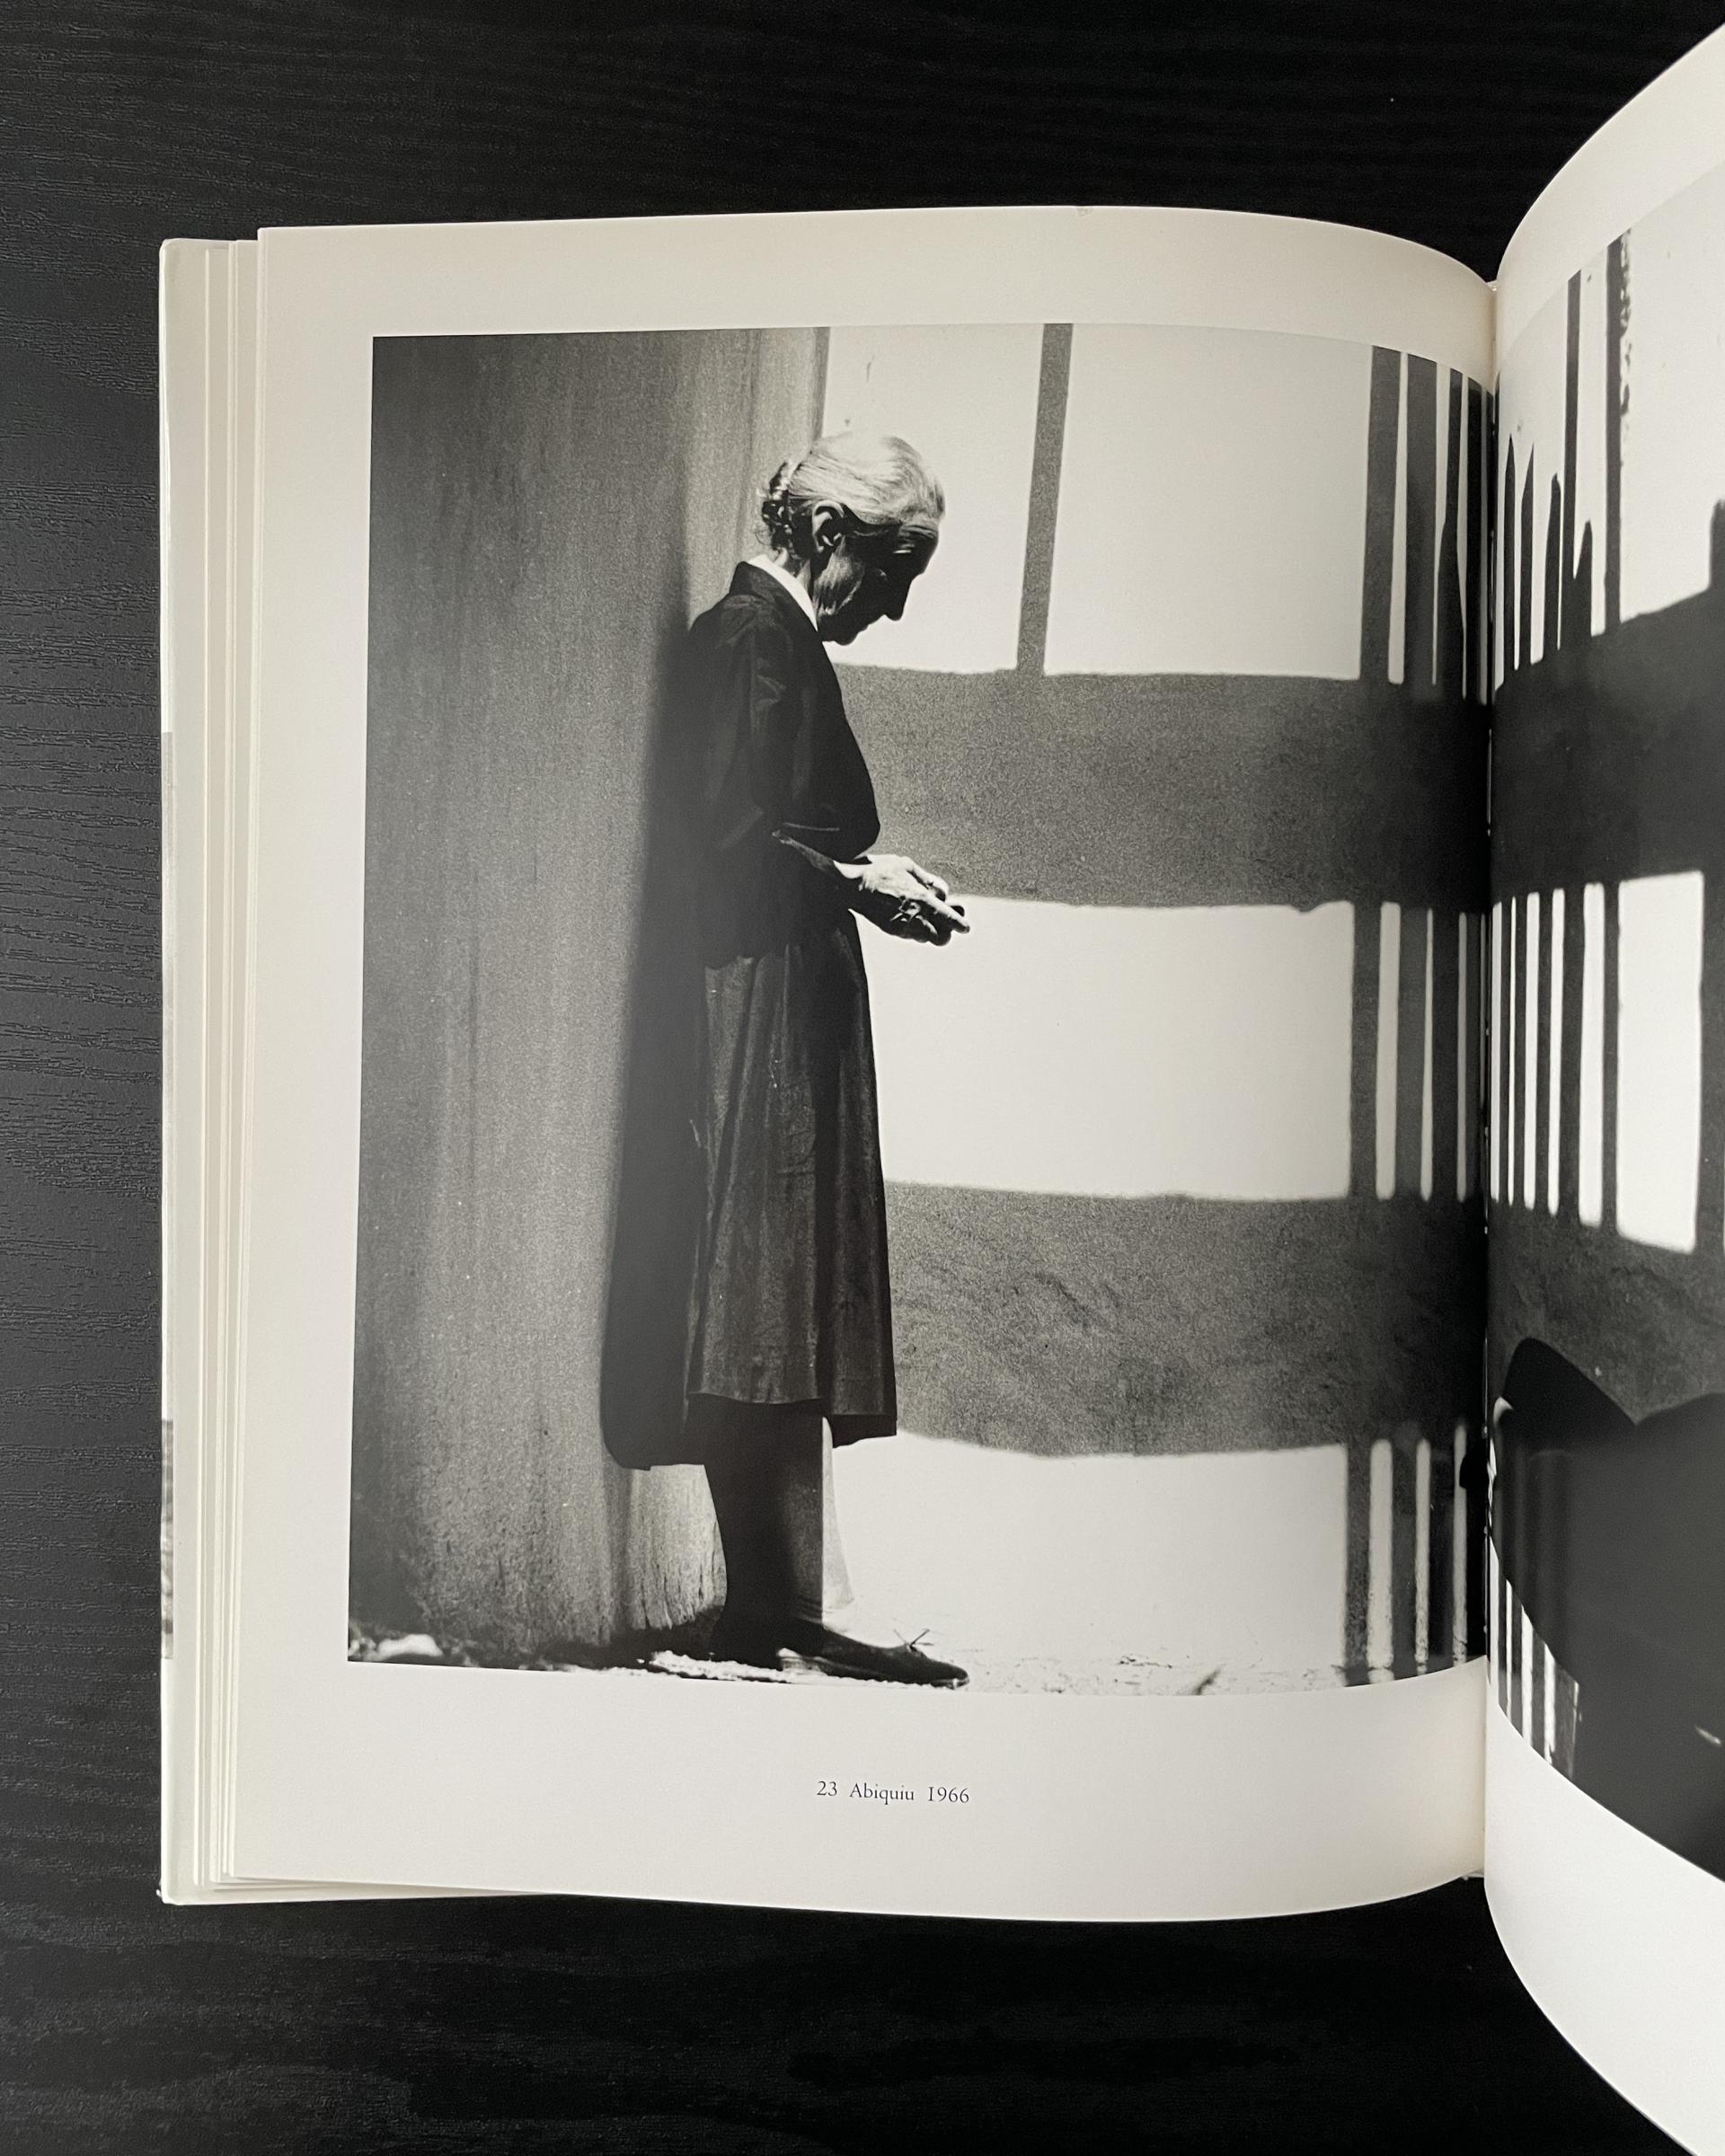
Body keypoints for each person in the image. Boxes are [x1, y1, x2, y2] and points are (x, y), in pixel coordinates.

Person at [601, 433, 971, 1686]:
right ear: (824, 536)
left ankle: (782, 1606)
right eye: (893, 569)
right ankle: (776, 1609)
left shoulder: (772, 644)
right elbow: (726, 839)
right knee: (753, 1291)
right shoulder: (752, 641)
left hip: (779, 996)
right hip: (749, 1002)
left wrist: (859, 881)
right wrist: (860, 883)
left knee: (776, 1296)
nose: (896, 605)